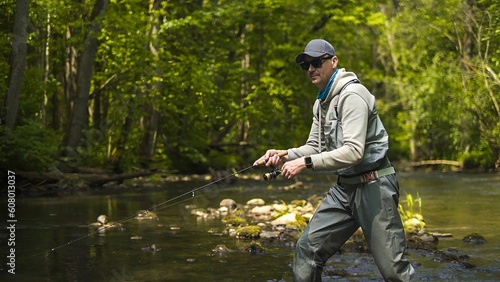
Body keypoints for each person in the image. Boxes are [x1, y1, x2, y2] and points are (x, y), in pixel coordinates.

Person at [254, 39, 416, 281]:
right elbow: (314, 146)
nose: (311, 69)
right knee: (307, 249)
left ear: (333, 61)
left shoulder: (353, 95)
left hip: (374, 186)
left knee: (394, 271)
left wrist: (305, 163)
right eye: (306, 65)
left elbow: (353, 151)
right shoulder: (321, 102)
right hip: (345, 189)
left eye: (317, 62)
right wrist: (284, 154)